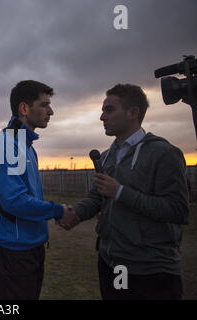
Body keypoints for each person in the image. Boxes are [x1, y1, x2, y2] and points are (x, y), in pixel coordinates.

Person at [58, 83, 189, 300]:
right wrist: (75, 214)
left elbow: (178, 210)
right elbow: (98, 196)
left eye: (109, 110)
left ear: (133, 113)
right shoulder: (108, 156)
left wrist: (121, 192)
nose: (102, 117)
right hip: (113, 264)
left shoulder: (164, 153)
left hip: (151, 270)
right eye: (102, 110)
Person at [0, 80, 75, 300]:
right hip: (13, 254)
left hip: (31, 249)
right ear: (24, 108)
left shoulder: (26, 146)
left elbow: (28, 197)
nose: (51, 111)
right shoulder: (6, 143)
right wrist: (57, 211)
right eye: (44, 105)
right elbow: (14, 201)